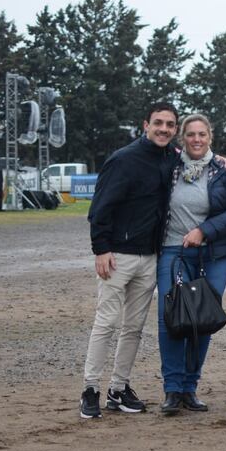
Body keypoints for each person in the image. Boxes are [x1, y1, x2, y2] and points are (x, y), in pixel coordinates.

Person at [80, 101, 179, 419]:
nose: (164, 129)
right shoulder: (123, 159)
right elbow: (100, 208)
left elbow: (199, 160)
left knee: (134, 328)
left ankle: (118, 388)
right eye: (158, 123)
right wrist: (101, 249)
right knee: (106, 323)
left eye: (170, 124)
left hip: (149, 257)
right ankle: (90, 389)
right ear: (145, 125)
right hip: (117, 256)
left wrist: (221, 161)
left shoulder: (171, 158)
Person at [157, 114, 226, 416]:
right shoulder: (169, 167)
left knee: (202, 319)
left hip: (214, 255)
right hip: (174, 252)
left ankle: (189, 387)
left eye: (202, 134)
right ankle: (172, 389)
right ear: (182, 138)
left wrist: (204, 231)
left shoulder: (222, 171)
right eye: (191, 134)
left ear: (210, 137)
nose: (196, 139)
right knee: (171, 317)